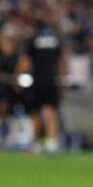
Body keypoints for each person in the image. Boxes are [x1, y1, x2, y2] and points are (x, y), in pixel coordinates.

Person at [18, 19, 64, 154]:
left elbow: (25, 62)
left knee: (35, 112)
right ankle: (52, 142)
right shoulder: (55, 40)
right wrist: (61, 80)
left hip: (37, 80)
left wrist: (18, 77)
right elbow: (61, 61)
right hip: (51, 80)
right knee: (50, 111)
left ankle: (37, 143)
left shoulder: (33, 40)